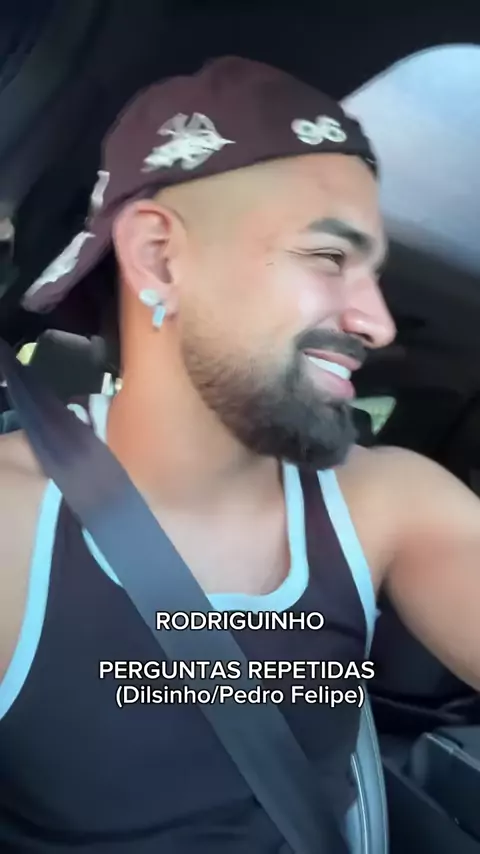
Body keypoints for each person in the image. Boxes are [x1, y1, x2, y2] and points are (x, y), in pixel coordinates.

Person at [0, 56, 479, 853]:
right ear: (160, 257)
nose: (379, 324)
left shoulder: (387, 501)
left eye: (374, 274)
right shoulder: (12, 526)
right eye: (329, 257)